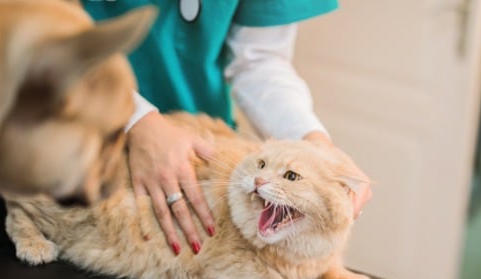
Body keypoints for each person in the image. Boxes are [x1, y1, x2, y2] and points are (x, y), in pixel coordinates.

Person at [83, 0, 372, 255]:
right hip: (73, 133)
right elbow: (42, 36)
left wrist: (313, 143)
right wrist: (136, 119)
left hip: (198, 155)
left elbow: (259, 61)